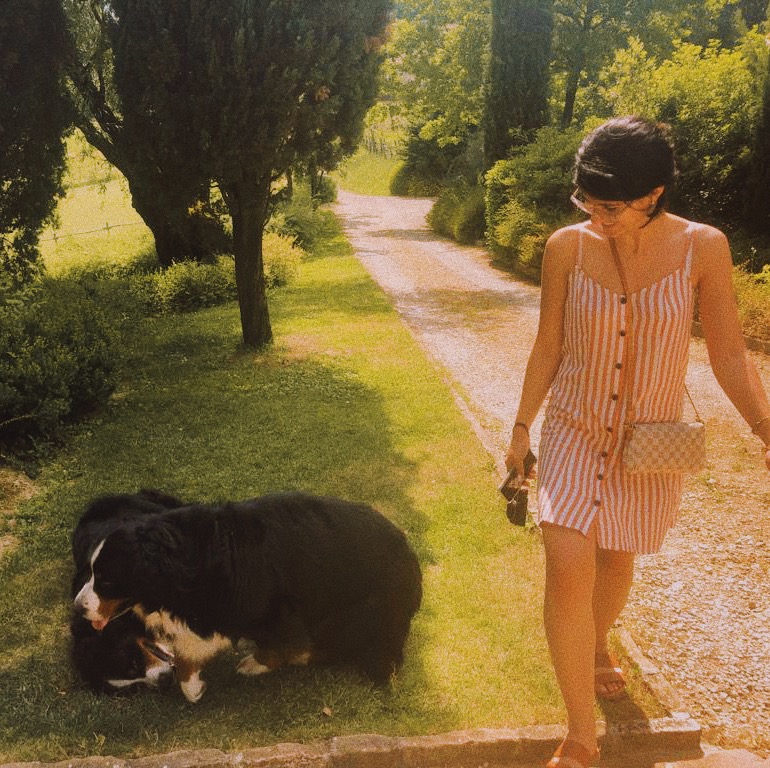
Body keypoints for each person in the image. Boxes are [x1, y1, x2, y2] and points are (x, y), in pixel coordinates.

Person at [505, 116, 770, 768]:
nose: (596, 217)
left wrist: (765, 429)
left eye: (612, 207)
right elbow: (548, 345)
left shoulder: (703, 248)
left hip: (650, 441)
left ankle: (596, 642)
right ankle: (581, 736)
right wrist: (521, 427)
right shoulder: (566, 248)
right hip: (573, 430)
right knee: (568, 563)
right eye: (587, 202)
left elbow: (730, 355)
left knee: (617, 561)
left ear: (654, 194)